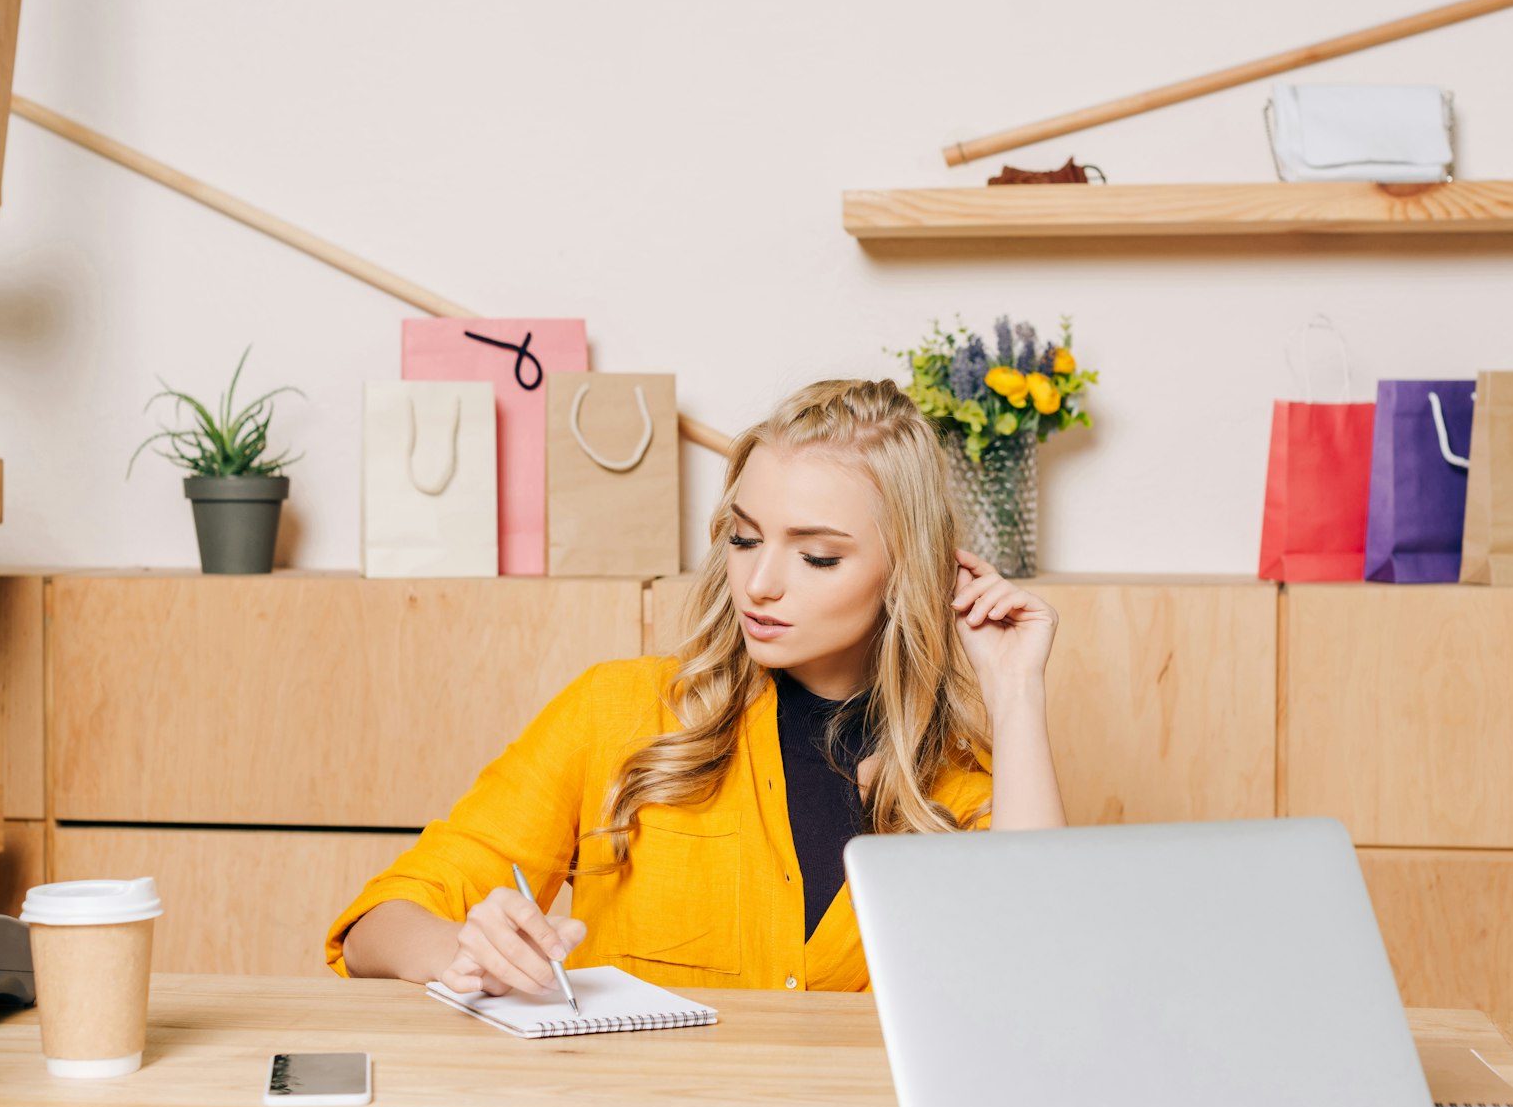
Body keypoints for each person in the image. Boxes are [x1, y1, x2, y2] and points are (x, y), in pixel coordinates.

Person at [327, 378, 1065, 994]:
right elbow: (375, 927)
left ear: (908, 570)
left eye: (816, 556)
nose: (760, 584)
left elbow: (1041, 984)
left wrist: (1015, 688)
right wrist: (466, 950)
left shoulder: (966, 795)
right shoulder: (615, 713)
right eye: (744, 539)